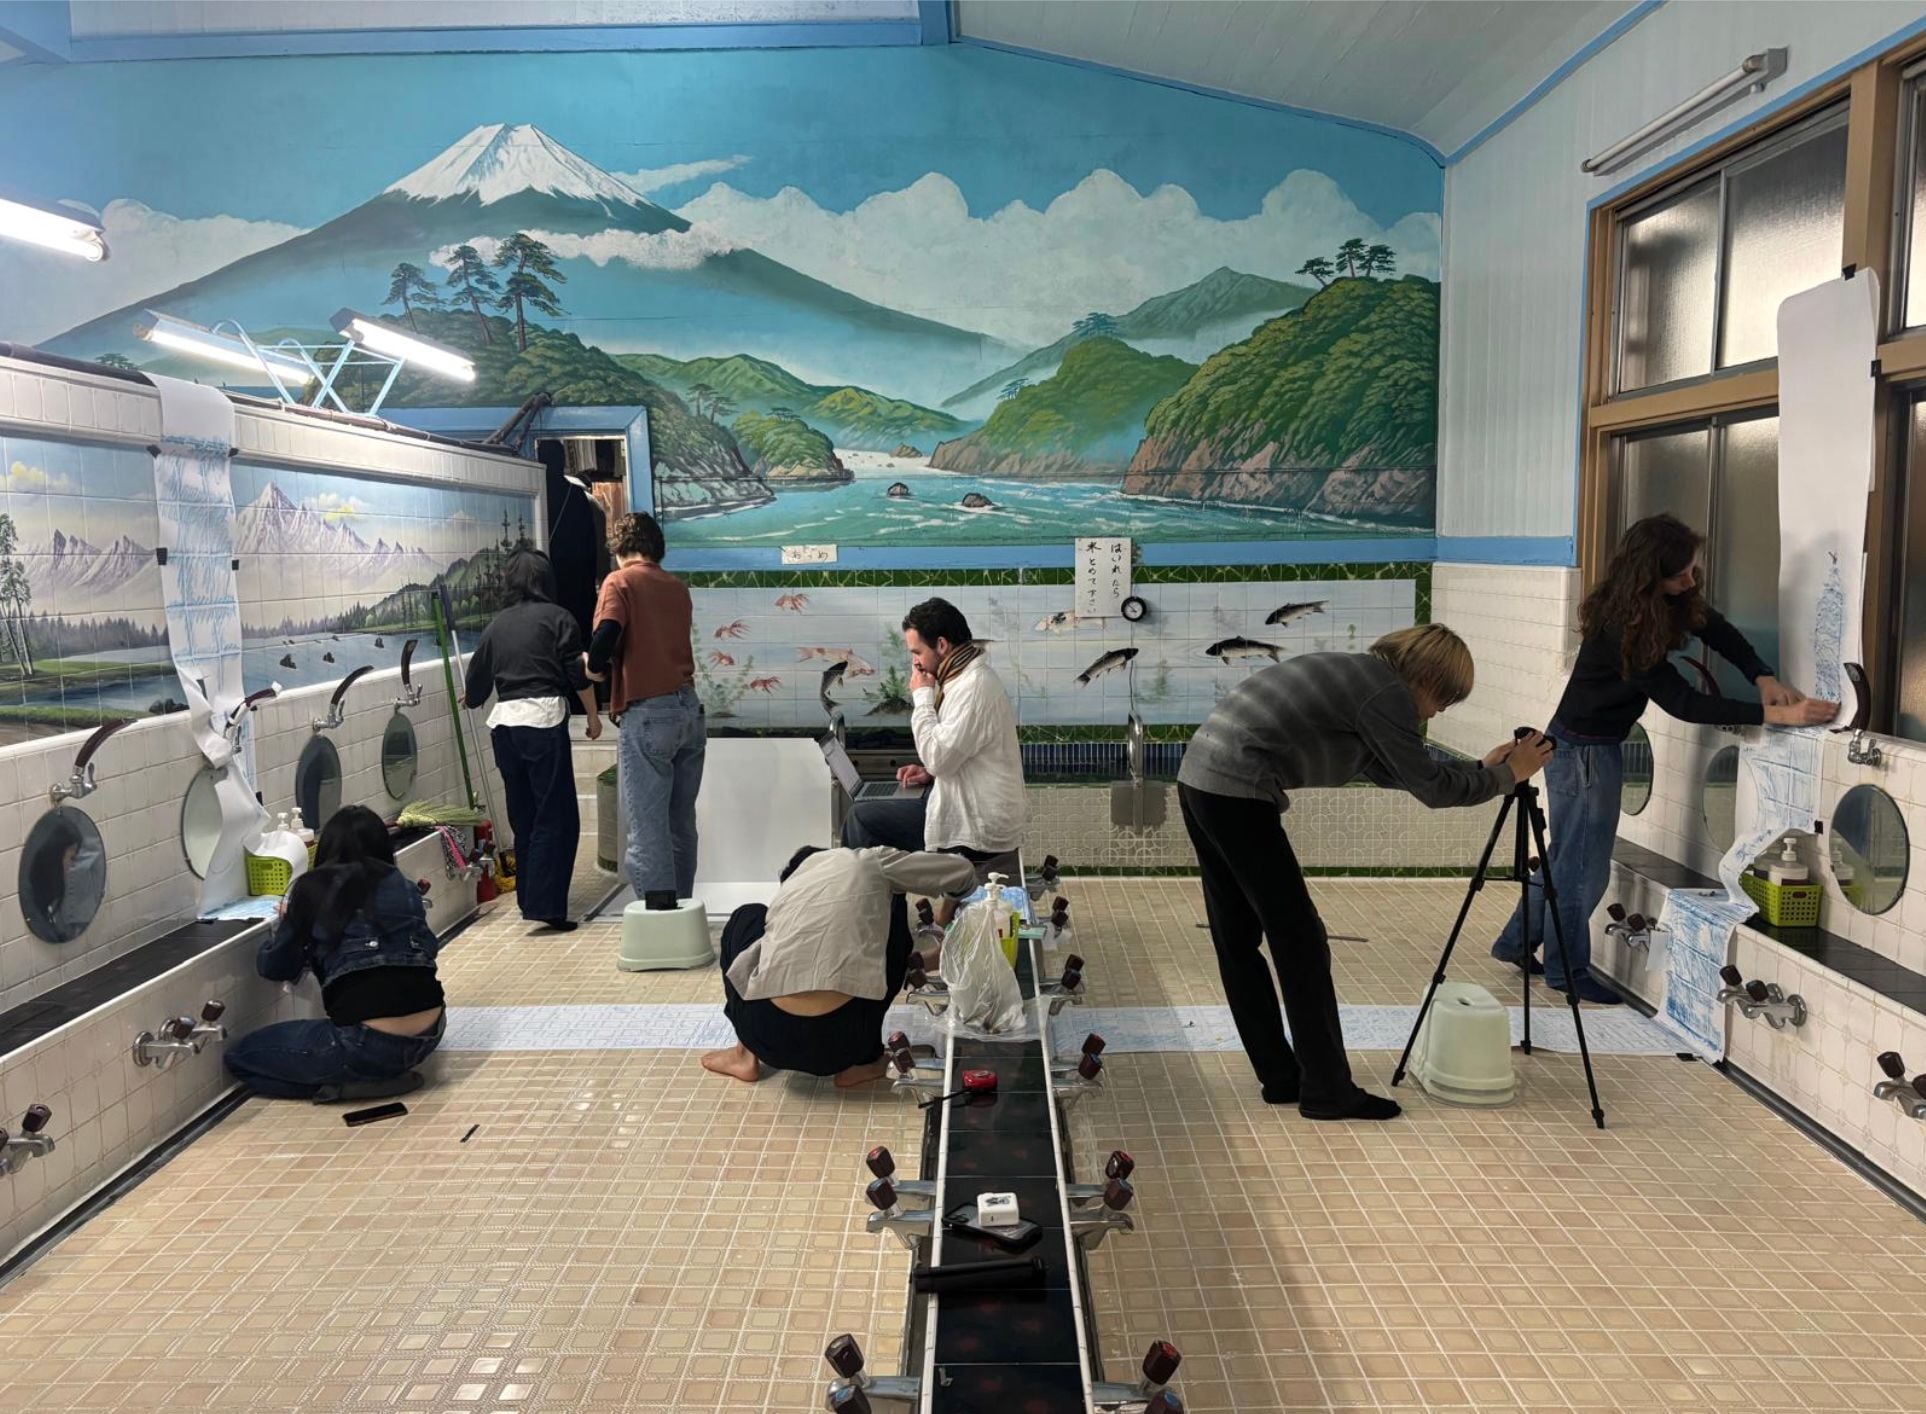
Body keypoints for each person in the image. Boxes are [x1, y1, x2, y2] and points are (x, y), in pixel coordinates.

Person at [1178, 624, 1554, 1123]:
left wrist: (1482, 769)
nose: (1439, 710)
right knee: (1301, 941)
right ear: (1426, 677)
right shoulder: (1385, 694)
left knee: (1238, 938)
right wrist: (1510, 776)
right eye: (1444, 698)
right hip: (1237, 789)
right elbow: (1431, 789)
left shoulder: (1359, 675)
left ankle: (1282, 1076)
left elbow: (1395, 769)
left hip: (1199, 780)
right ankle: (1328, 1091)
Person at [1491, 514, 1836, 999]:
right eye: (1680, 575)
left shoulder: (1663, 600)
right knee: (1581, 867)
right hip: (1583, 753)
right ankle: (1566, 972)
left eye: (1693, 571)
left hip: (1580, 744)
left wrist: (1761, 674)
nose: (1690, 582)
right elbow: (1684, 703)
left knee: (1565, 858)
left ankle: (1514, 943)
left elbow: (1717, 629)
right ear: (1649, 575)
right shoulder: (1623, 626)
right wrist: (1777, 716)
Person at [701, 844, 978, 1087]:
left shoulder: (792, 889)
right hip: (847, 1044)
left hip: (763, 1034)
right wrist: (947, 912)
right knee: (888, 904)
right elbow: (962, 871)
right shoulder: (867, 860)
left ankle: (745, 1054)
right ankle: (862, 1064)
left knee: (747, 915)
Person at [226, 806, 446, 1102]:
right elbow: (427, 951)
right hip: (431, 1032)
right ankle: (380, 1076)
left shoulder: (312, 888)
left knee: (241, 1057)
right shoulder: (403, 886)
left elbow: (275, 968)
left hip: (363, 1044)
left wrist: (294, 921)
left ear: (325, 847)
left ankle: (351, 1086)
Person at [840, 598, 1023, 917]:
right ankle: (883, 923)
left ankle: (871, 926)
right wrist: (930, 772)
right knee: (869, 823)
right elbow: (955, 753)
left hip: (979, 823)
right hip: (970, 803)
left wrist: (921, 697)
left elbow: (941, 756)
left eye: (917, 653)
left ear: (941, 644)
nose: (916, 664)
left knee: (862, 822)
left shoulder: (973, 686)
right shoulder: (963, 677)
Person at [462, 548, 600, 933]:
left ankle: (529, 897)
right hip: (542, 722)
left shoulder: (496, 625)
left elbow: (476, 683)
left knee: (523, 816)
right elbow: (577, 673)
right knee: (555, 815)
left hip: (504, 726)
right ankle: (546, 906)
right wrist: (592, 716)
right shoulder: (557, 618)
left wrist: (471, 699)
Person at [585, 513, 703, 901]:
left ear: (618, 548)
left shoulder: (619, 581)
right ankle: (682, 905)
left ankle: (661, 919)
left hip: (649, 712)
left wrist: (594, 667)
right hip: (689, 710)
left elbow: (607, 635)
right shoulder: (676, 587)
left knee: (647, 826)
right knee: (680, 823)